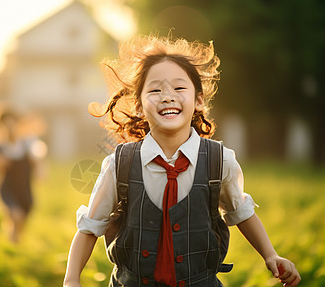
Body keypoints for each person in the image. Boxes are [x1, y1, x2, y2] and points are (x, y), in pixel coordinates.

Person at [63, 35, 301, 286]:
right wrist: (71, 279)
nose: (167, 96)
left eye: (179, 88)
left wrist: (271, 255)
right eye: (155, 90)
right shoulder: (118, 165)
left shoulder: (219, 162)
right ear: (139, 106)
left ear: (198, 100)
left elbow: (240, 211)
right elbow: (89, 227)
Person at [0, 101, 47, 243]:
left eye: (12, 122)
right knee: (16, 215)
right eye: (5, 123)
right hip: (7, 188)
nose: (10, 126)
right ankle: (13, 243)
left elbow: (38, 157)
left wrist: (39, 170)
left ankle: (15, 239)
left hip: (24, 188)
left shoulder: (26, 142)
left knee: (22, 217)